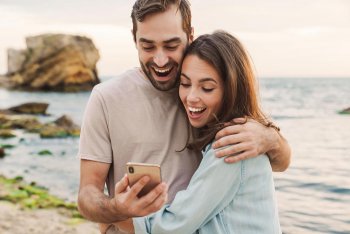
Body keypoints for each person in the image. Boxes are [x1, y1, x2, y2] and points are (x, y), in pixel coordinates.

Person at [77, 1, 290, 233]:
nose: (160, 60)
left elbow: (278, 162)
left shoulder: (212, 96)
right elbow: (87, 194)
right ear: (134, 38)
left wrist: (270, 137)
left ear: (190, 35)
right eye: (148, 46)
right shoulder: (107, 98)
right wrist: (116, 210)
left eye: (171, 45)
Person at [116, 30, 281, 234]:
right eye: (185, 84)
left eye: (207, 88)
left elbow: (171, 227)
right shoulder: (239, 133)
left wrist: (115, 217)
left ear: (232, 89)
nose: (191, 97)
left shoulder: (233, 143)